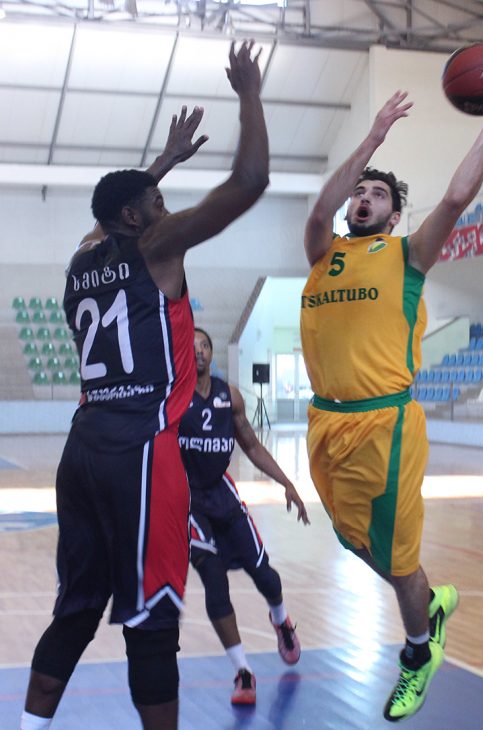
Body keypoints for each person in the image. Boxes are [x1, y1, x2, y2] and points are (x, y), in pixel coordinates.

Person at [20, 41, 269, 730]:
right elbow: (249, 181)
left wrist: (160, 164)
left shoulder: (80, 263)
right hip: (142, 447)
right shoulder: (156, 247)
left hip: (82, 447)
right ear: (136, 220)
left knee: (76, 608)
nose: (166, 208)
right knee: (154, 620)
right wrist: (250, 94)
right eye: (158, 202)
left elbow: (107, 215)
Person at [300, 72, 483, 723]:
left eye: (377, 195)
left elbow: (455, 198)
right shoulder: (323, 252)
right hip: (325, 423)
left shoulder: (408, 256)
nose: (363, 199)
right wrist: (372, 138)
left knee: (396, 559)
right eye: (359, 193)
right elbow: (316, 211)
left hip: (384, 424)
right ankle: (432, 600)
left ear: (393, 216)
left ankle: (419, 653)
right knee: (357, 542)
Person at [178, 327, 309, 705]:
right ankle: (243, 671)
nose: (199, 351)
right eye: (192, 346)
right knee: (215, 583)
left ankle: (281, 620)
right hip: (190, 502)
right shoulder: (173, 398)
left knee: (264, 574)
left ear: (212, 352)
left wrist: (287, 482)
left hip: (223, 494)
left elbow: (250, 445)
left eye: (205, 345)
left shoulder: (229, 396)